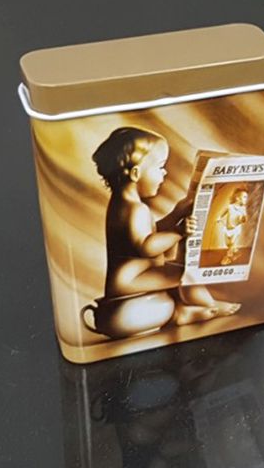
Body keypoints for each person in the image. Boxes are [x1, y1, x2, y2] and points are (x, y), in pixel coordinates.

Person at [92, 127, 240, 327]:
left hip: (133, 278)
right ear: (136, 173)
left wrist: (176, 214)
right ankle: (210, 307)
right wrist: (178, 232)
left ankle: (184, 313)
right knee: (186, 274)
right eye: (160, 167)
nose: (165, 172)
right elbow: (146, 247)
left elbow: (151, 232)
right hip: (130, 282)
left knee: (176, 272)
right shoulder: (135, 209)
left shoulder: (122, 205)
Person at [216, 186, 249, 266]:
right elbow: (223, 212)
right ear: (237, 198)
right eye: (244, 197)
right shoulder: (230, 207)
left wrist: (244, 217)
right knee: (227, 243)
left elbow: (244, 220)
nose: (246, 199)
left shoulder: (243, 209)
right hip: (227, 228)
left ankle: (227, 258)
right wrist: (219, 217)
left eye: (246, 197)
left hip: (236, 229)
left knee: (232, 243)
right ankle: (235, 251)